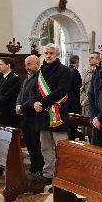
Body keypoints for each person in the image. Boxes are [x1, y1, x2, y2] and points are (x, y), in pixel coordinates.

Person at [29, 44, 72, 185]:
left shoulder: (64, 70)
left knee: (61, 147)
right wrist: (34, 102)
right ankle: (49, 173)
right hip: (42, 115)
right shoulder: (40, 71)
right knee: (45, 147)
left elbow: (61, 90)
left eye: (51, 53)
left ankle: (63, 175)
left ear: (57, 54)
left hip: (58, 114)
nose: (48, 55)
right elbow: (33, 90)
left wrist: (42, 103)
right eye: (46, 53)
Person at [16, 55, 44, 174]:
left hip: (34, 115)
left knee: (36, 143)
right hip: (26, 115)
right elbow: (21, 92)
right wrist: (18, 104)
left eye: (29, 64)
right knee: (29, 143)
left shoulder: (40, 77)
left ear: (37, 64)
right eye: (26, 64)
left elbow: (36, 96)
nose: (26, 67)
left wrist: (22, 107)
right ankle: (34, 165)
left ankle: (39, 167)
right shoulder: (27, 77)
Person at [80, 52, 100, 139]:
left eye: (92, 57)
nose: (89, 59)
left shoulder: (99, 72)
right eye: (89, 57)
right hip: (85, 104)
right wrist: (82, 100)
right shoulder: (87, 72)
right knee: (86, 129)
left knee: (93, 129)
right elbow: (82, 88)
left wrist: (87, 99)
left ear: (98, 59)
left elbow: (96, 90)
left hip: (93, 103)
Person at [67, 55, 82, 140]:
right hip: (73, 100)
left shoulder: (66, 70)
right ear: (76, 61)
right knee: (73, 124)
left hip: (66, 100)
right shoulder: (74, 71)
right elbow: (78, 85)